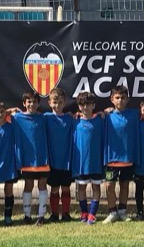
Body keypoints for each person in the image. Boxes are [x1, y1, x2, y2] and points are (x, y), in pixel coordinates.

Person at [11, 91, 50, 224]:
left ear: (38, 103)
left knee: (42, 185)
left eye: (34, 102)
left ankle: (41, 215)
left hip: (42, 158)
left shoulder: (43, 118)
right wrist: (11, 110)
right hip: (27, 159)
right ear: (24, 103)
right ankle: (27, 215)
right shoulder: (17, 117)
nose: (31, 104)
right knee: (28, 185)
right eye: (29, 102)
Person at [103, 85, 139, 223]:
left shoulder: (135, 114)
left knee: (124, 185)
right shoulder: (106, 115)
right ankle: (112, 212)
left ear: (128, 99)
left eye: (123, 98)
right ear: (112, 99)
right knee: (109, 185)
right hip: (111, 159)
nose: (120, 100)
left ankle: (122, 211)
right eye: (117, 97)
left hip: (127, 158)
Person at [71, 91, 105, 225]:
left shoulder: (100, 120)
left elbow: (111, 113)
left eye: (88, 104)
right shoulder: (75, 121)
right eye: (82, 105)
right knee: (81, 188)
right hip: (81, 163)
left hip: (96, 162)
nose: (85, 107)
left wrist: (106, 112)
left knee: (96, 187)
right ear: (79, 106)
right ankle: (84, 212)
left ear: (93, 105)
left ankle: (92, 213)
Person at [44, 88, 75, 221]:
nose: (57, 105)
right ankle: (54, 214)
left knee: (66, 188)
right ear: (49, 103)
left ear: (65, 102)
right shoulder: (45, 118)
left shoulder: (70, 118)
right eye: (55, 102)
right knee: (54, 188)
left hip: (67, 160)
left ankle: (66, 214)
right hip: (52, 160)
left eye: (60, 102)